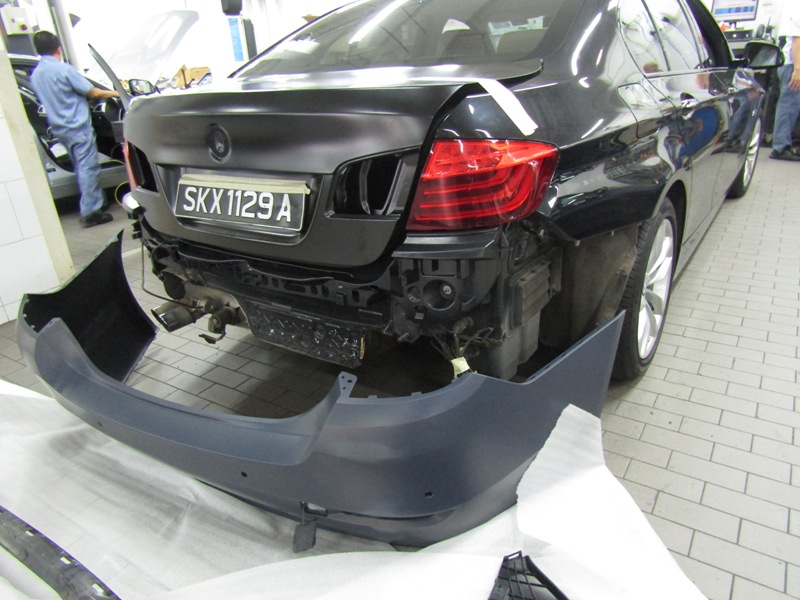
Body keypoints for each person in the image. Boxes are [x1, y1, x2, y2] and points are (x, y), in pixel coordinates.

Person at [30, 30, 119, 226]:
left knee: (80, 167)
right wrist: (117, 93)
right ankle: (91, 212)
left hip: (59, 128)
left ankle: (96, 200)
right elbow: (93, 93)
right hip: (77, 126)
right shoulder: (64, 70)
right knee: (88, 167)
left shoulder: (36, 75)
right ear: (58, 49)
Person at [771, 8, 800, 162]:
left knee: (793, 107)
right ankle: (780, 148)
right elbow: (797, 43)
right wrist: (797, 70)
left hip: (794, 66)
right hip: (793, 66)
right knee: (788, 106)